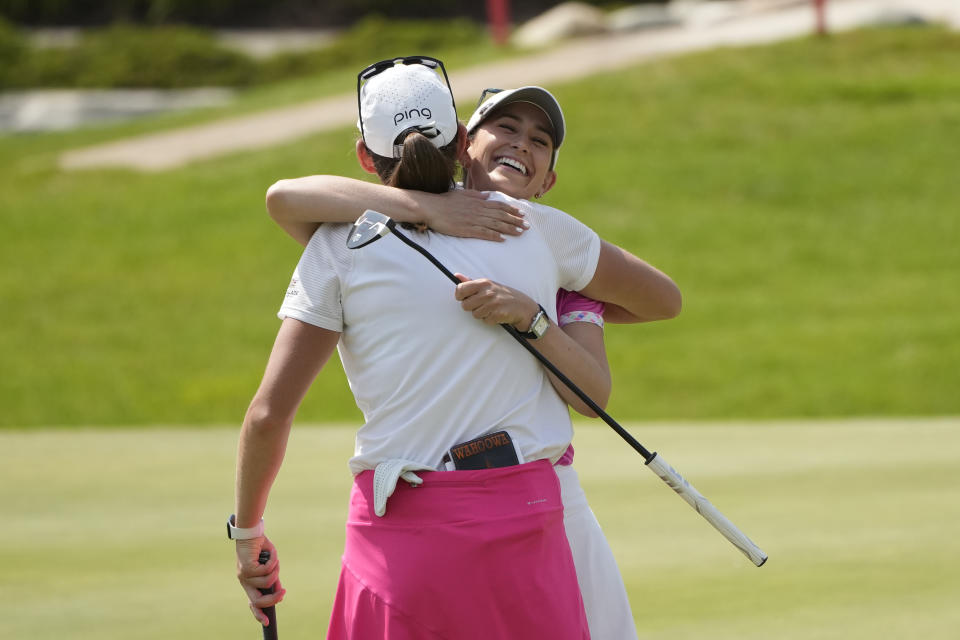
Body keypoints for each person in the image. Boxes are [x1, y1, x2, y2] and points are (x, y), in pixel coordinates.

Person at [233, 57, 679, 639]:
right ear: (463, 143)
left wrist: (248, 536)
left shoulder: (335, 245)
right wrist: (572, 301)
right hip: (524, 515)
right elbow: (662, 299)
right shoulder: (533, 226)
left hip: (397, 533)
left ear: (368, 159)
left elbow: (269, 415)